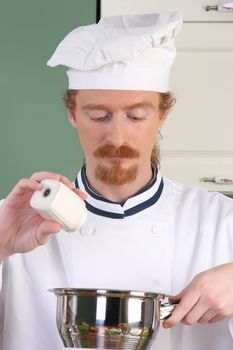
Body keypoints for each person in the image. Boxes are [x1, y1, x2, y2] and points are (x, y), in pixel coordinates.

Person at [0, 10, 233, 350]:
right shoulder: (18, 224)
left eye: (136, 115)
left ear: (163, 113)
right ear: (72, 113)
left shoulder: (220, 222)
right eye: (99, 115)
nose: (117, 136)